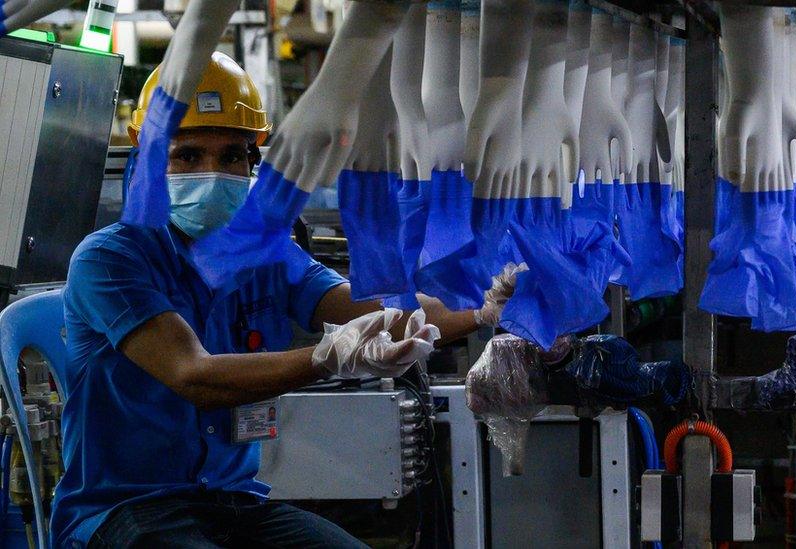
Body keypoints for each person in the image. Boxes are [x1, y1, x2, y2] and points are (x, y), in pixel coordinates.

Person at [50, 52, 518, 548]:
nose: (212, 173)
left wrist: (485, 303)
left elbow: (381, 308)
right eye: (187, 155)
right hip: (128, 510)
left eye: (231, 155)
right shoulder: (110, 260)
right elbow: (195, 376)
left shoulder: (266, 254)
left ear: (253, 159)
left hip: (234, 502)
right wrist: (326, 356)